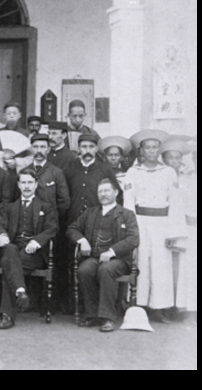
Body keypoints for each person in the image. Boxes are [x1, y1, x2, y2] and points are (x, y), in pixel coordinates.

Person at [124, 129, 185, 323]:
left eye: (154, 147)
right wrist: (131, 228)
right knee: (141, 262)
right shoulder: (133, 172)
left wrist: (173, 232)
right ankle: (139, 305)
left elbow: (175, 203)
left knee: (161, 265)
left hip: (162, 223)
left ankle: (158, 307)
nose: (151, 151)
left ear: (159, 150)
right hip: (141, 221)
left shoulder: (168, 172)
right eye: (147, 147)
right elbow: (128, 201)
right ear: (141, 150)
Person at [60, 134, 122, 313]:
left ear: (96, 149)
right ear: (78, 148)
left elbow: (117, 195)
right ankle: (74, 305)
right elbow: (63, 195)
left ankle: (96, 307)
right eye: (83, 147)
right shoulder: (70, 169)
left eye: (90, 147)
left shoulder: (105, 169)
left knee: (95, 266)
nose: (87, 151)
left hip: (99, 225)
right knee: (72, 264)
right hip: (74, 224)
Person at [68, 178, 139, 332]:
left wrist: (112, 251)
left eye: (107, 190)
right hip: (94, 257)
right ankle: (92, 314)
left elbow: (134, 239)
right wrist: (82, 240)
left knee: (106, 269)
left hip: (119, 259)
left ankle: (109, 317)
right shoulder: (90, 212)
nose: (103, 194)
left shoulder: (127, 214)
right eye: (100, 191)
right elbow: (72, 229)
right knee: (84, 270)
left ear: (116, 192)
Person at [0, 170, 58, 329]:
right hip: (14, 249)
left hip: (34, 255)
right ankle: (20, 292)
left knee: (9, 264)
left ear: (36, 185)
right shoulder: (9, 207)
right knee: (10, 251)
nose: (27, 186)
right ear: (18, 185)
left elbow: (52, 228)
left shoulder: (46, 207)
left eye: (30, 182)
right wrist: (1, 235)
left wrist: (36, 241)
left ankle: (8, 314)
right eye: (23, 182)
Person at [160, 138, 196, 315]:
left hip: (186, 227)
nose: (174, 161)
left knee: (186, 268)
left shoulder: (187, 178)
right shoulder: (163, 176)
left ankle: (185, 306)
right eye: (170, 158)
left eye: (177, 158)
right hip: (166, 226)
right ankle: (168, 306)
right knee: (168, 267)